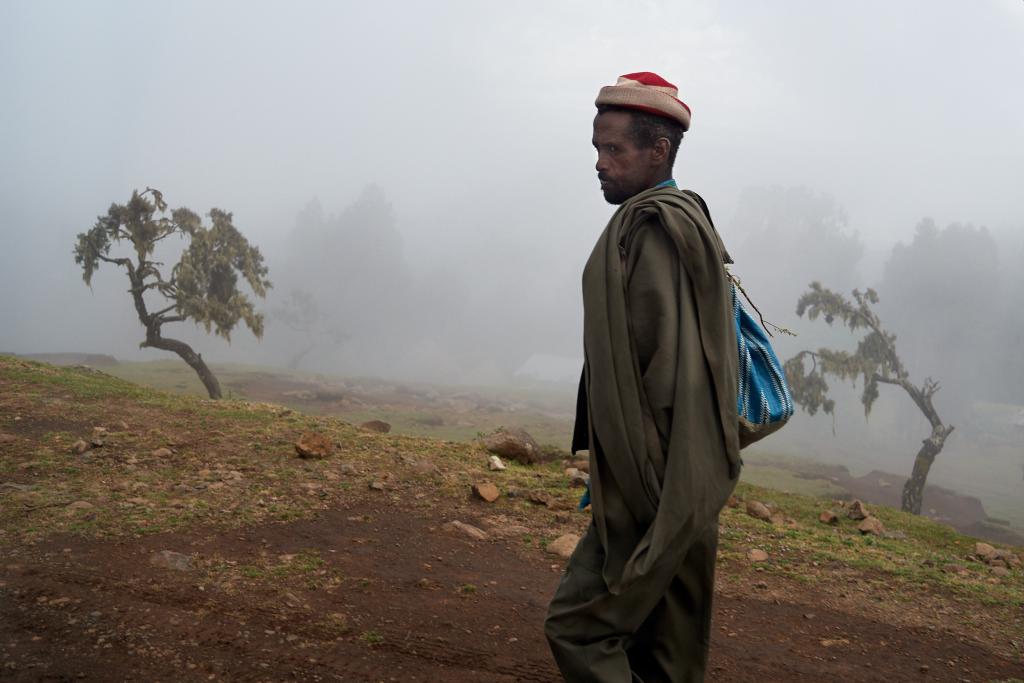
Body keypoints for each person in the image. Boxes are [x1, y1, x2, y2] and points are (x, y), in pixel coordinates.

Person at [544, 72, 740, 682]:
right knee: (667, 650)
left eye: (614, 150)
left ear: (659, 150)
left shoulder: (654, 228)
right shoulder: (679, 220)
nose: (600, 163)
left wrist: (652, 487)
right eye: (596, 149)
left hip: (656, 481)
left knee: (578, 626)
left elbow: (671, 372)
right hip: (684, 480)